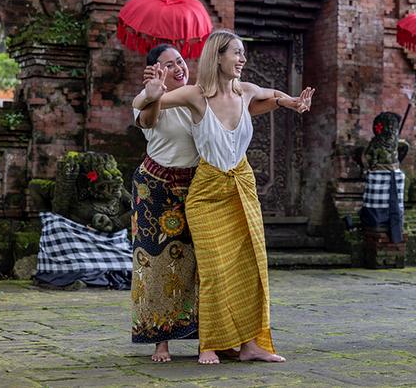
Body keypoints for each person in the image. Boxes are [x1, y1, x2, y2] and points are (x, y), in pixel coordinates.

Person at [133, 30, 314, 364]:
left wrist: (290, 101)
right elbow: (143, 111)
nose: (243, 59)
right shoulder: (193, 96)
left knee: (251, 265)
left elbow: (269, 93)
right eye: (237, 53)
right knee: (205, 269)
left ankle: (250, 344)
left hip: (238, 183)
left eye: (244, 53)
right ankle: (202, 343)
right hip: (191, 188)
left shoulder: (243, 91)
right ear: (217, 56)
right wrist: (151, 93)